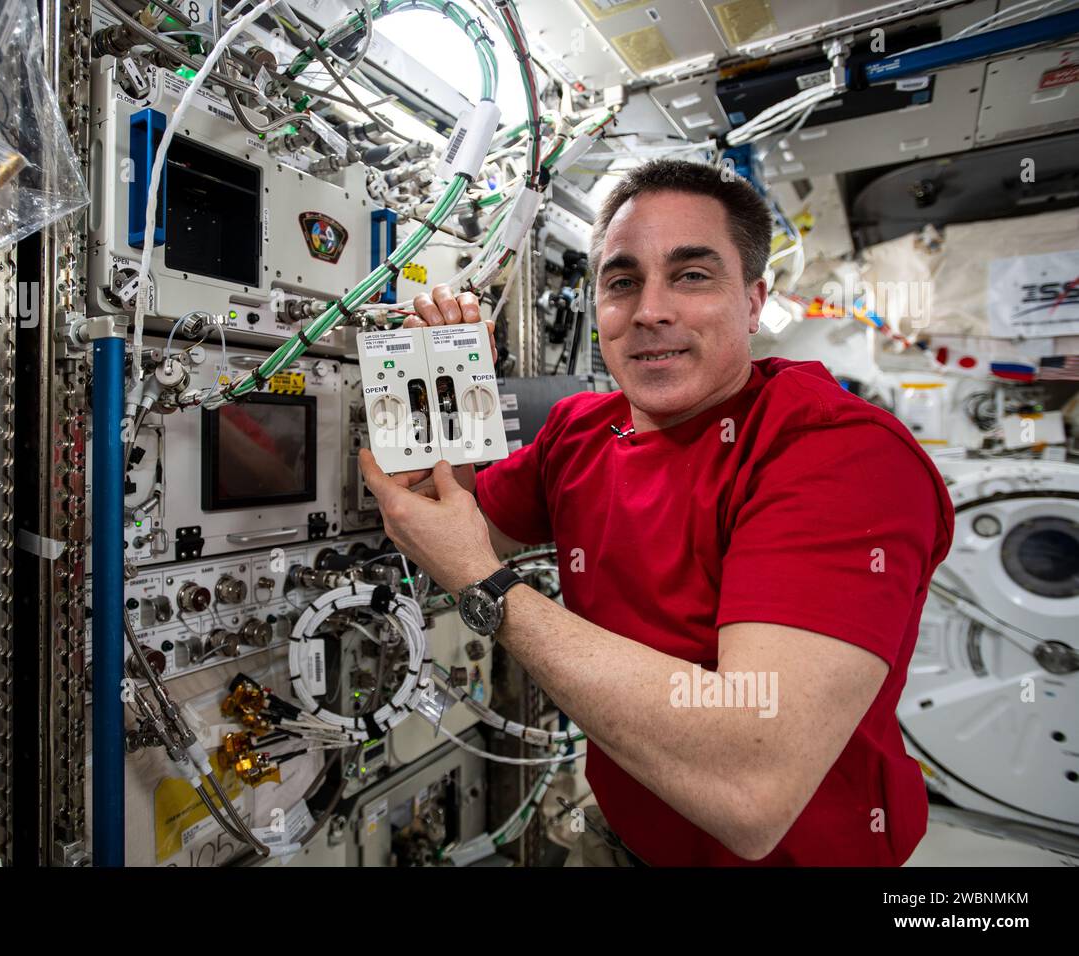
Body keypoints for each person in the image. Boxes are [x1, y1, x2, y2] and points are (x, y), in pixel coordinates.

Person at [357, 159, 953, 866]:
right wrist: (445, 393)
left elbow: (751, 785)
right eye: (621, 282)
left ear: (755, 301)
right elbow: (439, 524)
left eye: (692, 275)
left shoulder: (839, 455)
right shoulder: (581, 430)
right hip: (629, 831)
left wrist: (489, 589)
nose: (649, 312)